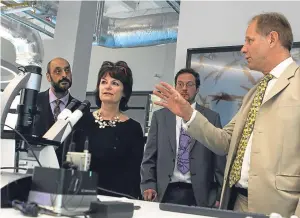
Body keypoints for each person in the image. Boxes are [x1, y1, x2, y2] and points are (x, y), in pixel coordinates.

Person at [153, 12, 300, 217]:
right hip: (236, 202)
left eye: (250, 40)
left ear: (272, 39)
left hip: (280, 209)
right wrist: (188, 114)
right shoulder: (254, 93)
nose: (244, 48)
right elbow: (224, 141)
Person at [141, 68, 226, 207]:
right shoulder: (160, 117)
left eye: (189, 84)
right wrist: (148, 185)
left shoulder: (211, 118)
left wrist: (218, 195)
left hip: (200, 194)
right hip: (165, 191)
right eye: (180, 84)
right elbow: (149, 156)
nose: (184, 88)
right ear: (175, 87)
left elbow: (219, 161)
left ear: (197, 88)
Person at [76, 61, 144, 199]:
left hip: (117, 200)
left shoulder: (133, 128)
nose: (108, 86)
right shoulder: (81, 121)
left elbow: (133, 174)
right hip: (80, 196)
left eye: (115, 83)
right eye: (103, 82)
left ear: (124, 92)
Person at [33, 57, 80, 165]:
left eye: (67, 70)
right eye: (58, 71)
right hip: (34, 167)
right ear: (48, 77)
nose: (64, 75)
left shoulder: (79, 108)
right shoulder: (34, 101)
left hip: (65, 171)